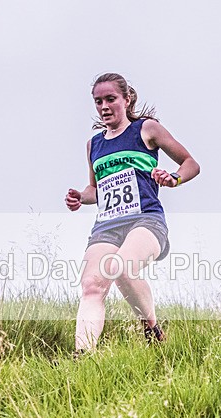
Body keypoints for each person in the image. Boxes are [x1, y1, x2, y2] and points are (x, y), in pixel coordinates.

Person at [65, 73, 200, 353]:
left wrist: (173, 178)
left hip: (145, 219)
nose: (104, 106)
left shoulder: (146, 129)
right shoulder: (94, 145)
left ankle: (151, 327)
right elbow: (95, 189)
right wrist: (81, 196)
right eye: (98, 101)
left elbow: (190, 163)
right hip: (107, 226)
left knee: (122, 267)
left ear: (126, 100)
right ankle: (82, 355)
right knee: (92, 285)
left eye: (110, 99)